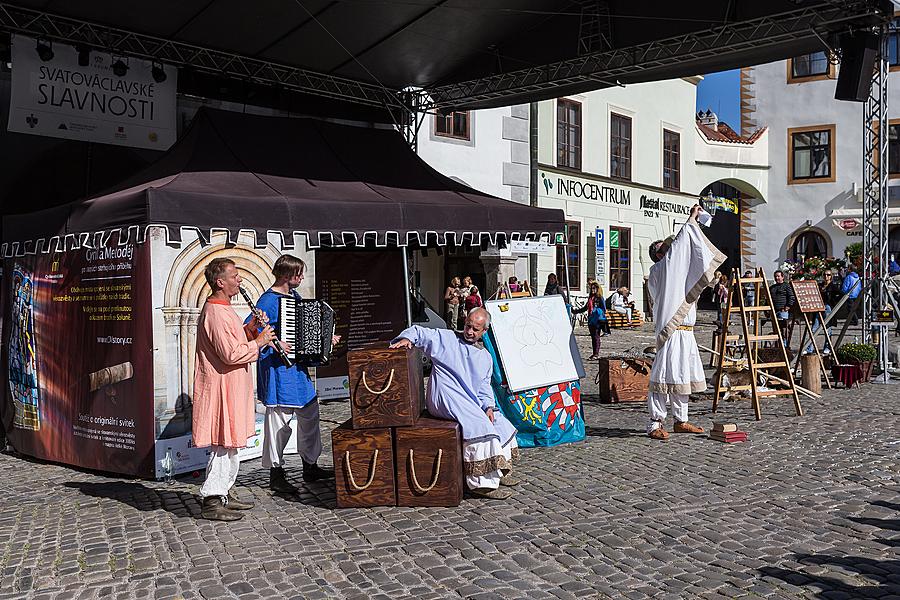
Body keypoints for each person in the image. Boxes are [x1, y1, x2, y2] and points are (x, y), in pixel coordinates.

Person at [390, 308, 519, 500]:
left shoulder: (485, 357)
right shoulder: (446, 339)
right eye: (468, 326)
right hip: (445, 397)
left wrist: (488, 407)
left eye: (475, 329)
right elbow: (418, 332)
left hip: (468, 401)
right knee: (480, 426)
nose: (469, 332)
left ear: (484, 331)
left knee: (500, 423)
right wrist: (408, 339)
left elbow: (484, 387)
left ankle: (498, 471)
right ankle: (481, 484)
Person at [193, 257, 276, 521]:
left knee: (231, 444)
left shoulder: (225, 308)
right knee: (222, 443)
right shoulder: (215, 312)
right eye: (235, 276)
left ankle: (225, 491)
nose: (239, 280)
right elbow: (230, 353)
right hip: (221, 387)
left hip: (233, 385)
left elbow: (236, 338)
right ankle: (212, 499)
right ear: (220, 282)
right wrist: (260, 342)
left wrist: (252, 329)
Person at [249, 254, 339, 494]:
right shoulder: (268, 301)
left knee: (310, 415)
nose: (301, 277)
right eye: (298, 273)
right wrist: (273, 342)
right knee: (279, 422)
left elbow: (305, 333)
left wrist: (325, 340)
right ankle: (276, 473)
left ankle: (310, 465)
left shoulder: (295, 297)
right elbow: (250, 331)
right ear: (288, 275)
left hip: (297, 370)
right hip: (278, 369)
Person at [645, 205, 726, 440]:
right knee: (663, 377)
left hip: (686, 331)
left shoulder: (676, 273)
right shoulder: (660, 271)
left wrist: (695, 224)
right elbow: (677, 252)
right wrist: (691, 220)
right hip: (670, 332)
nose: (672, 250)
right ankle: (655, 422)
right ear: (660, 255)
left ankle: (681, 420)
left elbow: (682, 254)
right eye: (666, 249)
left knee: (682, 376)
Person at [571, 281, 609, 359]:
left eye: (594, 288)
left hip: (598, 319)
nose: (592, 290)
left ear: (597, 289)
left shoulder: (600, 298)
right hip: (591, 319)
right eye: (591, 288)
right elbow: (585, 308)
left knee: (596, 336)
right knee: (593, 337)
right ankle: (594, 353)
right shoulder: (590, 298)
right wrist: (575, 311)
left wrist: (596, 310)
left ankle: (596, 354)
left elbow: (604, 309)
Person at [806, 269, 840, 355]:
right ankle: (810, 348)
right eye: (824, 275)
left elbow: (841, 294)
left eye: (828, 275)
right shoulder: (820, 285)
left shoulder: (833, 286)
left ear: (831, 276)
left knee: (827, 329)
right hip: (818, 307)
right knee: (814, 329)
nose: (826, 277)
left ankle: (827, 347)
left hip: (827, 307)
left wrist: (832, 301)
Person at [769, 270, 796, 344]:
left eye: (778, 276)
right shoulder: (772, 287)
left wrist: (788, 306)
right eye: (775, 276)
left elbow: (791, 296)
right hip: (774, 311)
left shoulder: (786, 286)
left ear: (782, 277)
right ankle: (778, 345)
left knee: (784, 329)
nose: (777, 278)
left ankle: (785, 345)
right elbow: (768, 298)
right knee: (776, 329)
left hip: (783, 311)